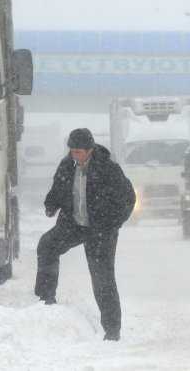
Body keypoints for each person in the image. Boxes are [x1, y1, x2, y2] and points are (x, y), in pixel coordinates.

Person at [34, 128, 135, 341]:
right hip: (74, 224)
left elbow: (128, 198)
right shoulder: (67, 166)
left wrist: (112, 223)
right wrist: (51, 204)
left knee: (102, 277)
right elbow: (58, 189)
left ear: (90, 150)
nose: (75, 155)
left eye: (79, 152)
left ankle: (112, 329)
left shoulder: (108, 169)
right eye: (72, 151)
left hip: (100, 229)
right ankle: (45, 300)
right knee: (47, 246)